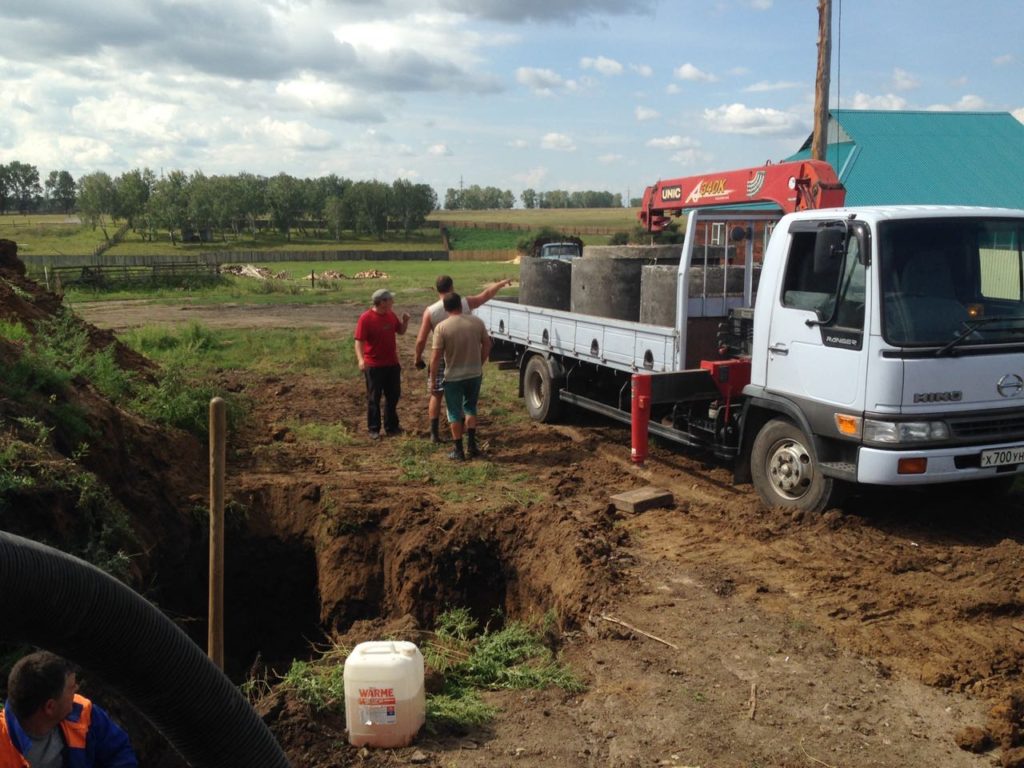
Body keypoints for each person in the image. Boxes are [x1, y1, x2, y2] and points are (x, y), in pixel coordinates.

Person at [413, 275, 512, 443]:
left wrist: (418, 358)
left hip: (442, 355)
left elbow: (421, 339)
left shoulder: (430, 311)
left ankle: (434, 433)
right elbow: (486, 294)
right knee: (466, 397)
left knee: (436, 394)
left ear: (437, 289)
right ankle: (466, 432)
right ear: (452, 287)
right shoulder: (465, 303)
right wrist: (500, 284)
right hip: (465, 354)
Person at [1, 651, 137, 768]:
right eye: (71, 687)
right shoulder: (3, 746)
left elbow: (120, 754)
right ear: (50, 707)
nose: (77, 688)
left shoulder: (83, 713)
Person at [429, 292, 492, 461]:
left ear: (445, 307)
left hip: (453, 377)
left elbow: (435, 358)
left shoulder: (441, 328)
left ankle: (458, 450)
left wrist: (433, 379)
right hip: (474, 374)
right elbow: (487, 344)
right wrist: (480, 362)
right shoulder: (477, 322)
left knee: (454, 413)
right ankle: (472, 446)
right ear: (460, 305)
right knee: (470, 408)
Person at [354, 288, 410, 439]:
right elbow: (359, 342)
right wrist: (361, 360)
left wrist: (405, 322)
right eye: (390, 299)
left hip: (392, 364)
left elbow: (400, 331)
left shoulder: (391, 315)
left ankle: (391, 426)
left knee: (393, 396)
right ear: (383, 302)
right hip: (374, 365)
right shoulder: (365, 318)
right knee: (374, 398)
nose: (393, 301)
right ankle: (374, 429)